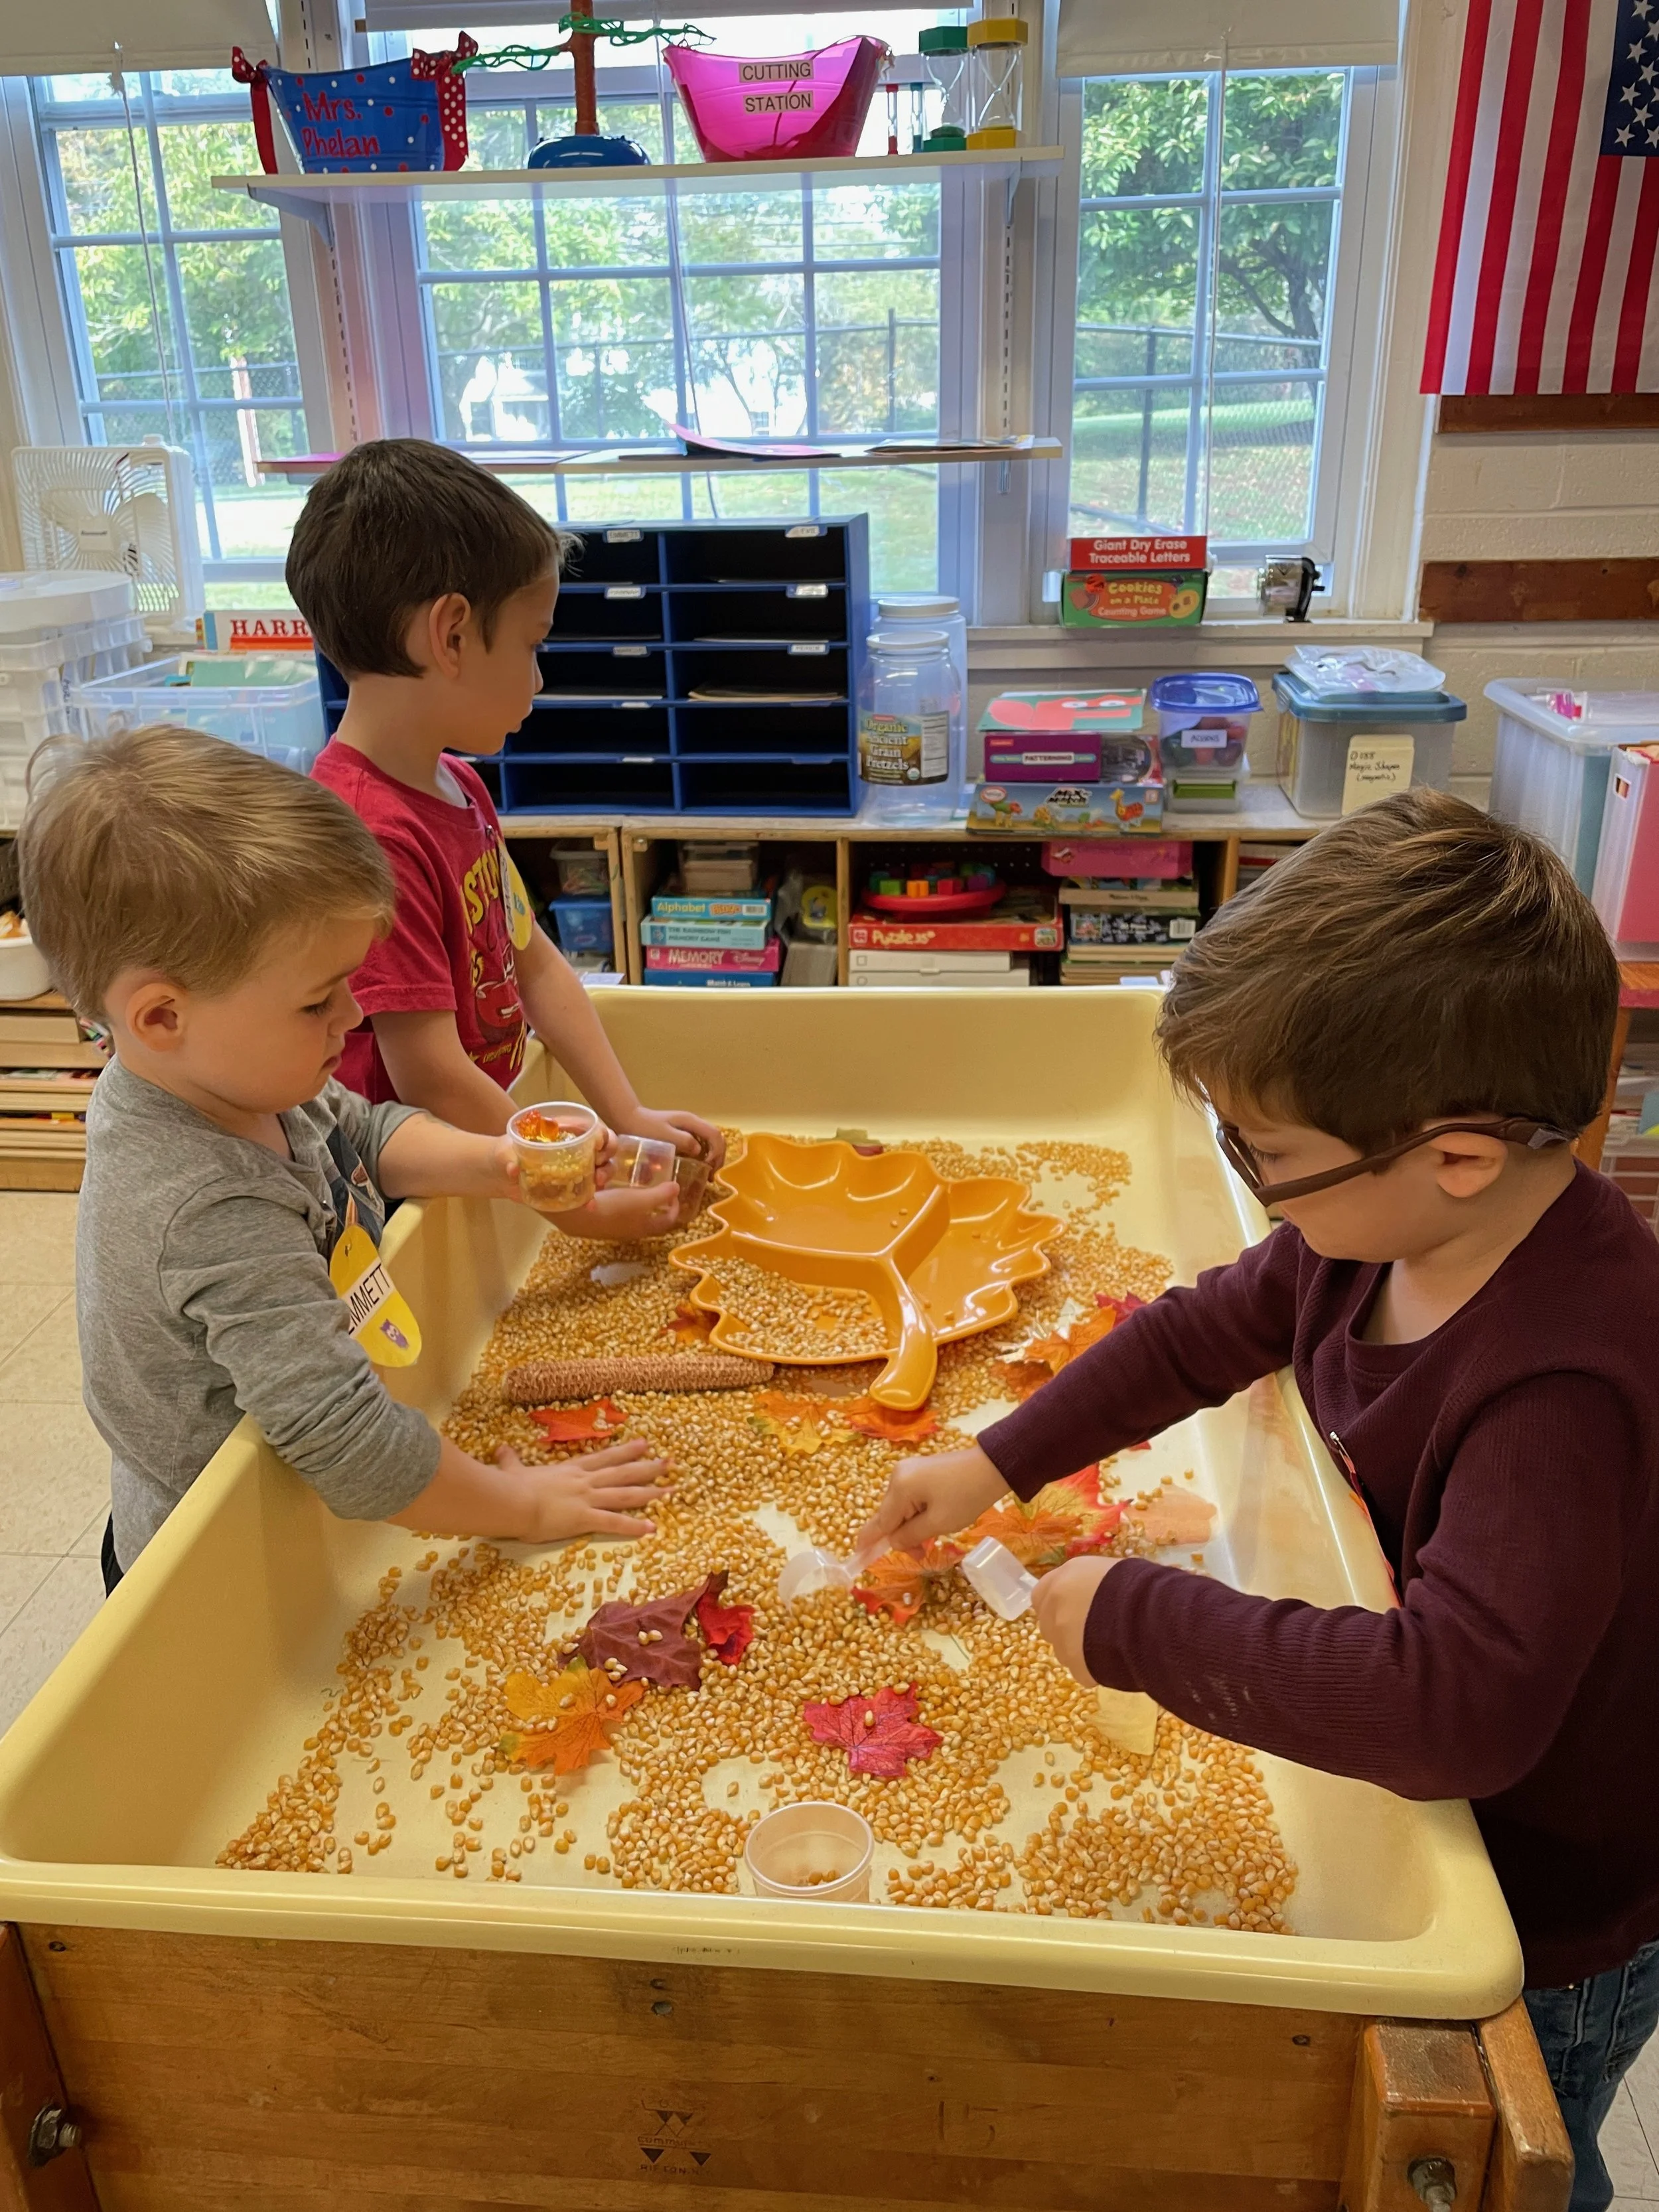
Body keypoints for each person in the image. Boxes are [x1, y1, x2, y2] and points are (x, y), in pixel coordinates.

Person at [855, 791, 1659, 2212]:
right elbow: (1194, 1332)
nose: (1251, 1186)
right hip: (1477, 1787)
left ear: (1454, 1151)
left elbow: (1454, 1710)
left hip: (1554, 1888)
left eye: (1262, 1156)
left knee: (1516, 2163)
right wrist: (994, 1458)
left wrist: (1141, 1618)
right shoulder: (1377, 1229)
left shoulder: (1559, 1390)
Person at [17, 725, 672, 1589]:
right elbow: (352, 1445)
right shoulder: (208, 1205)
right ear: (161, 1017)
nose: (355, 1016)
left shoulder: (237, 1076)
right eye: (318, 1000)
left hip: (303, 1494)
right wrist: (530, 1507)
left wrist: (502, 1164)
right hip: (216, 1570)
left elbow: (359, 1134)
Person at [287, 437, 721, 1237]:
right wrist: (574, 1202)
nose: (541, 676)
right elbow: (431, 1074)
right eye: (532, 644)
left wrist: (625, 1113)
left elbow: (534, 962)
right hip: (406, 1188)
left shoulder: (460, 785)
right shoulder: (365, 834)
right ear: (450, 635)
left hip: (489, 1148)